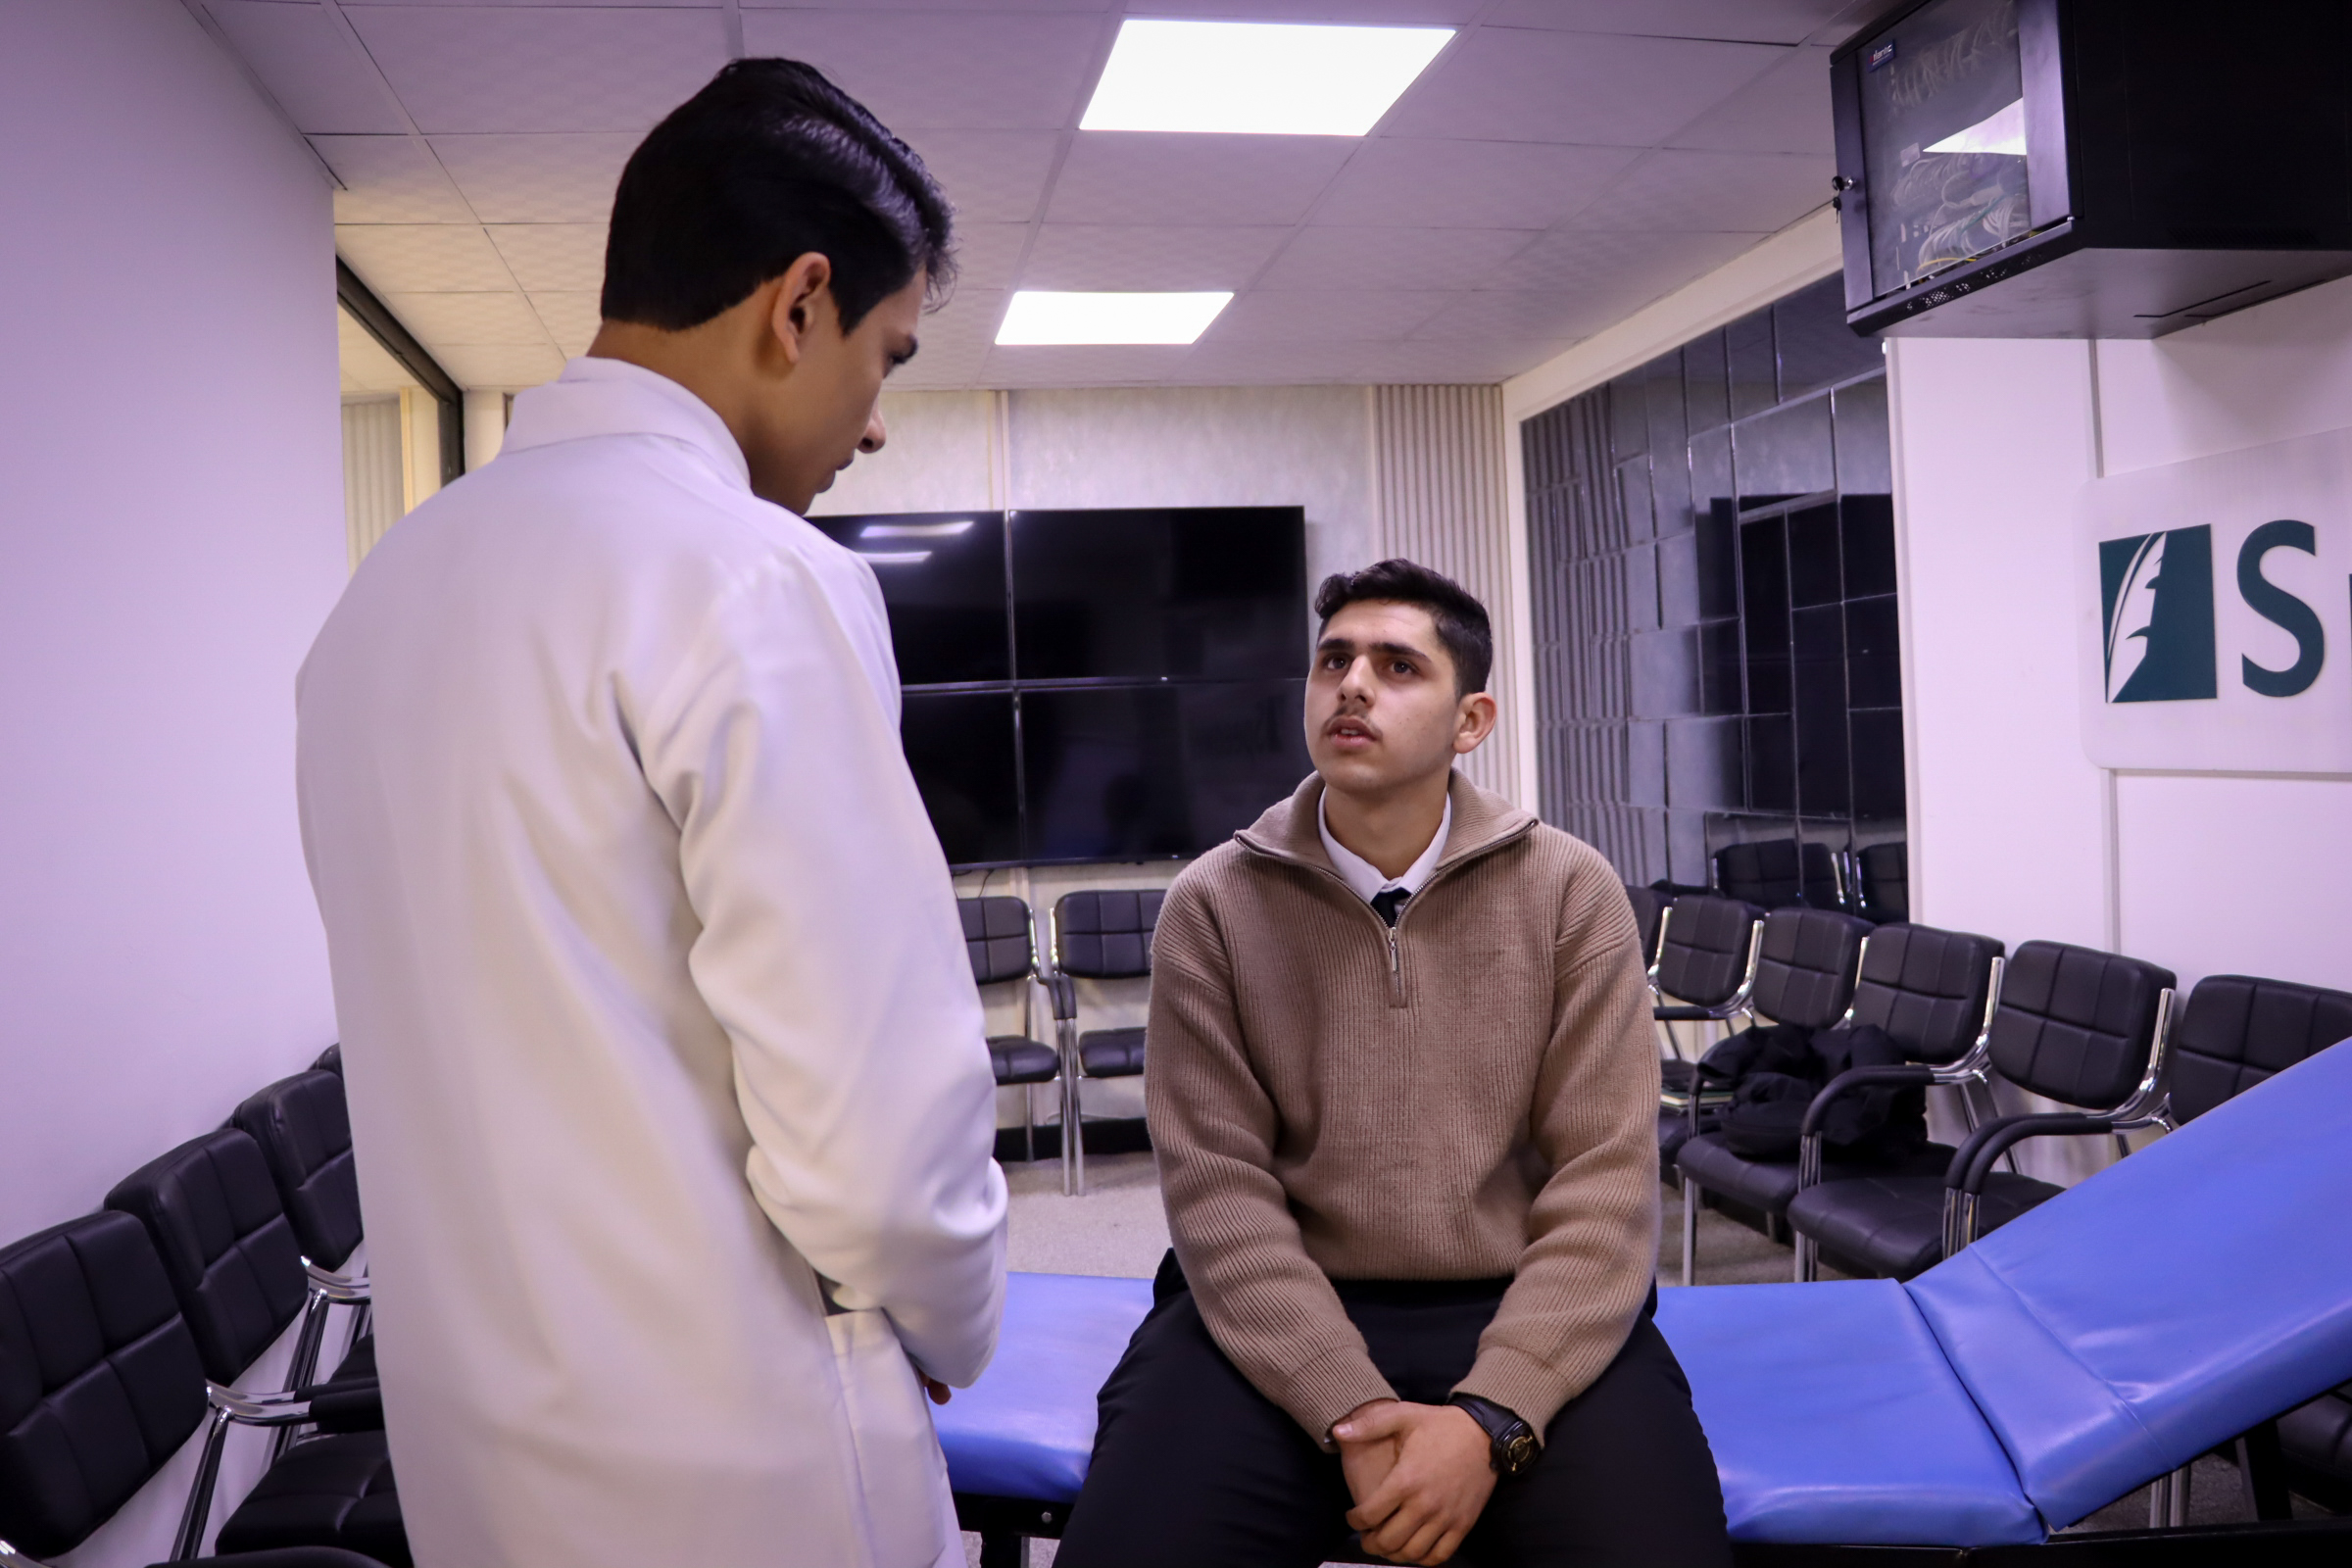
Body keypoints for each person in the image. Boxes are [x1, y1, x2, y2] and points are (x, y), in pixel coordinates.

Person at [296, 61, 1006, 1568]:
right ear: (799, 304)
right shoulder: (750, 574)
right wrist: (953, 1314)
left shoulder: (379, 601)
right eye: (886, 357)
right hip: (744, 1457)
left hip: (477, 1453)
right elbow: (878, 1132)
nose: (877, 426)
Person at [1055, 560, 1731, 1567]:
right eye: (1333, 662)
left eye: (1397, 666)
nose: (1353, 686)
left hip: (1521, 1295)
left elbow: (1604, 1185)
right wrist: (1351, 1408)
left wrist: (1492, 1416)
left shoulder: (1570, 891)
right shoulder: (1214, 903)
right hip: (1275, 1308)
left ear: (1471, 720)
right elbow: (1219, 1195)